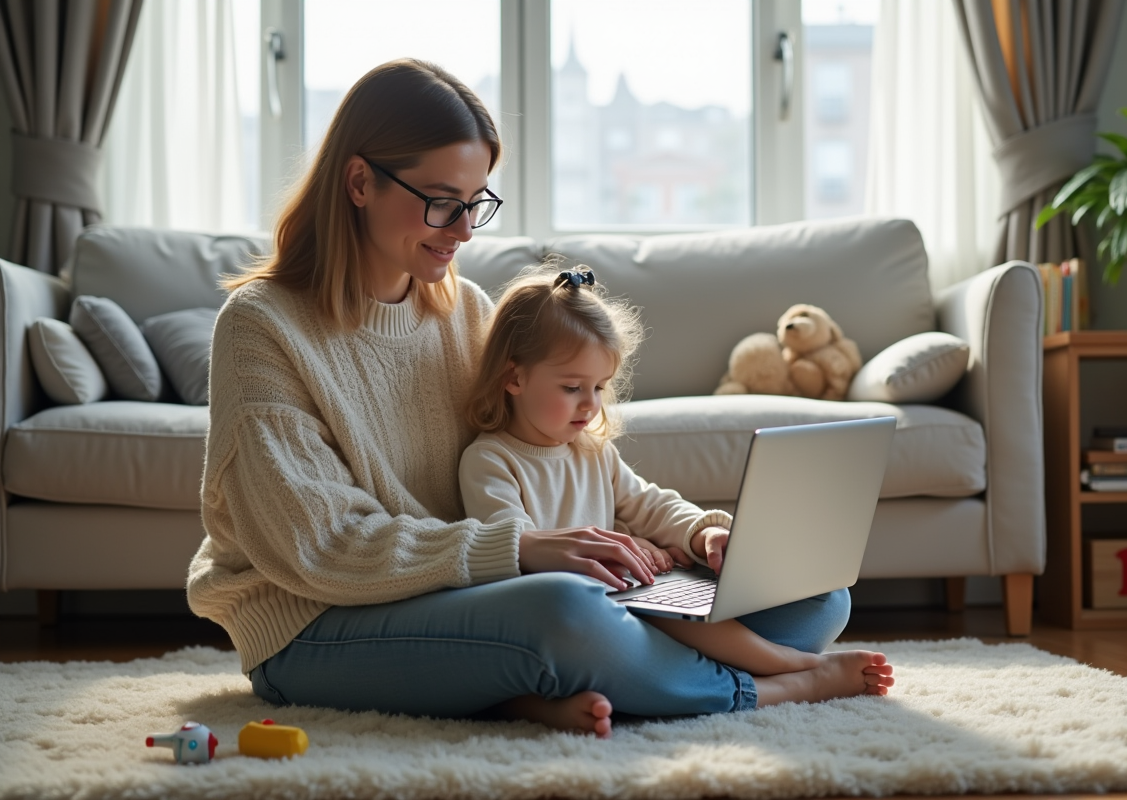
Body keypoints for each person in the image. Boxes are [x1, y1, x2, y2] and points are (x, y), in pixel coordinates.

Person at [186, 58, 891, 740]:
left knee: (809, 595)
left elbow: (564, 456)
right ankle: (768, 686)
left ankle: (537, 688)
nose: (462, 231)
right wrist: (520, 548)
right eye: (440, 202)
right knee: (568, 612)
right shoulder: (262, 327)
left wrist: (696, 537)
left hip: (461, 596)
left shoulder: (464, 311)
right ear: (361, 181)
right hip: (316, 623)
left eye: (476, 204)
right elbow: (320, 547)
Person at [458, 264, 894, 692]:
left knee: (828, 599)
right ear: (514, 377)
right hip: (587, 615)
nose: (590, 405)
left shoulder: (592, 452)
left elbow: (649, 504)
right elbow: (516, 553)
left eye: (600, 387)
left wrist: (701, 533)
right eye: (572, 388)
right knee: (660, 612)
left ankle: (670, 674)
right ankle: (791, 666)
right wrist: (624, 553)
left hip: (634, 606)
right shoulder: (490, 460)